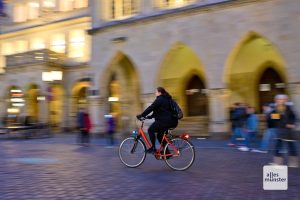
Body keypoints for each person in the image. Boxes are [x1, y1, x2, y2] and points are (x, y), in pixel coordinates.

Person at [136, 87, 178, 154]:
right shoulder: (166, 99)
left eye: (156, 92)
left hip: (165, 121)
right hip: (172, 121)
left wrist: (142, 115)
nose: (155, 93)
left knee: (150, 130)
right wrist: (150, 117)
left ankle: (153, 148)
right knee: (159, 135)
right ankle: (166, 152)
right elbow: (160, 111)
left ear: (160, 92)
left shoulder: (160, 99)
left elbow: (151, 108)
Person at [270, 94, 298, 167]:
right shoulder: (274, 110)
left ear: (286, 100)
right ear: (276, 100)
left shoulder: (289, 108)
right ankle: (277, 163)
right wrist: (286, 124)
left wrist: (292, 123)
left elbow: (293, 117)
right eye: (279, 99)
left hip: (289, 131)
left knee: (291, 146)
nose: (281, 101)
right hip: (280, 131)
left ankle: (293, 163)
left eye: (283, 99)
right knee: (278, 146)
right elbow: (275, 120)